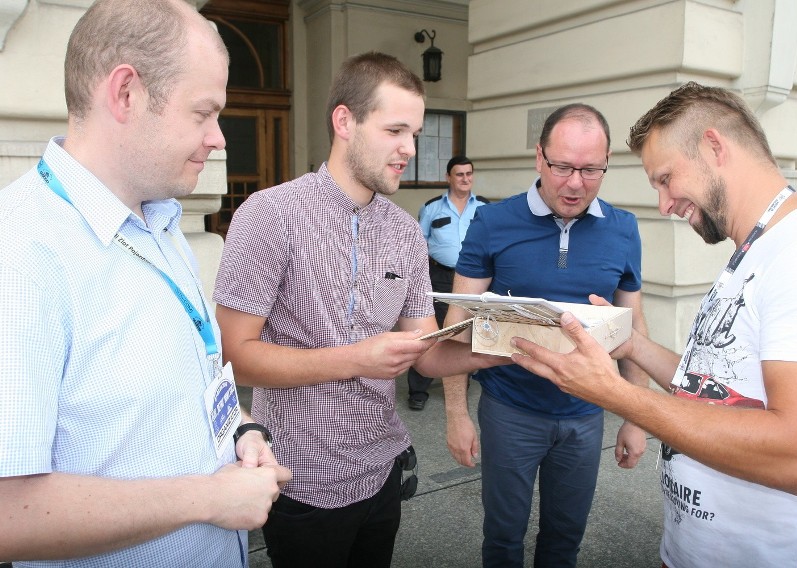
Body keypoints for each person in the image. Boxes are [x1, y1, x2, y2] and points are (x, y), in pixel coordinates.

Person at [511, 82, 797, 568]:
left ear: (714, 147)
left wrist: (616, 395)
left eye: (666, 178)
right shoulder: (755, 250)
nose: (666, 204)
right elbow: (715, 389)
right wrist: (630, 345)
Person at [0, 0, 292, 566]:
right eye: (203, 112)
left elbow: (195, 379)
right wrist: (209, 498)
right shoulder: (21, 252)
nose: (220, 139)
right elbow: (8, 514)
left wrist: (242, 433)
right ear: (126, 93)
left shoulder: (161, 223)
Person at [213, 52, 504, 568]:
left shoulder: (405, 232)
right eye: (395, 131)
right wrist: (357, 358)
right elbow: (233, 357)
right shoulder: (269, 214)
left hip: (382, 468)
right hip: (301, 476)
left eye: (414, 133)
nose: (409, 150)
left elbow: (426, 353)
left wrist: (507, 349)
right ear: (344, 120)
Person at [441, 104, 651, 567]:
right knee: (503, 536)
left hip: (585, 414)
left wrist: (637, 415)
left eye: (591, 170)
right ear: (539, 158)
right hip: (510, 411)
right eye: (562, 167)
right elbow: (457, 323)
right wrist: (456, 414)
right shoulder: (493, 223)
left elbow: (634, 327)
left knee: (565, 538)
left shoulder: (623, 229)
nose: (575, 183)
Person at [407, 155, 490, 410]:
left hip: (476, 279)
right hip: (440, 275)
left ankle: (458, 385)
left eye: (469, 174)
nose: (465, 179)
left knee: (466, 329)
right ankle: (418, 390)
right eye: (459, 174)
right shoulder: (432, 208)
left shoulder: (486, 208)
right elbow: (419, 244)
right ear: (448, 177)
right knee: (432, 331)